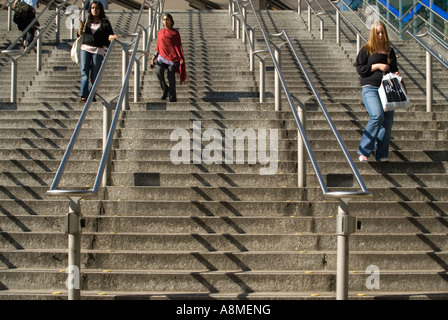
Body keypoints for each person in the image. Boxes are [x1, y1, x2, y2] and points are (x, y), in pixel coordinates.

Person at [355, 21, 400, 163]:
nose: (380, 35)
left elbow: (393, 68)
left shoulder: (390, 51)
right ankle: (364, 150)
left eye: (382, 32)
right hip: (370, 88)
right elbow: (360, 69)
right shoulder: (366, 50)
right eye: (378, 32)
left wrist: (396, 74)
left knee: (387, 121)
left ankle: (381, 155)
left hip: (387, 90)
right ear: (373, 34)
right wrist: (376, 66)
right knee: (377, 115)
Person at [77, 1, 118, 103]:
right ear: (90, 10)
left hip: (98, 50)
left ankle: (91, 95)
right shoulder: (87, 21)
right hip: (85, 48)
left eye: (97, 8)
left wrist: (112, 37)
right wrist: (81, 27)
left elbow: (109, 35)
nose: (95, 10)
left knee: (95, 74)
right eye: (93, 8)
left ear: (100, 10)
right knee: (84, 72)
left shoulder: (105, 23)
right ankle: (83, 95)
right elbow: (79, 35)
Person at [150, 13, 187, 102]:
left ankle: (172, 99)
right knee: (158, 71)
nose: (165, 21)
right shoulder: (160, 33)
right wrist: (153, 58)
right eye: (164, 20)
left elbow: (178, 46)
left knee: (171, 76)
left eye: (167, 19)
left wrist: (181, 58)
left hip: (173, 58)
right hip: (161, 58)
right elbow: (159, 47)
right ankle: (165, 89)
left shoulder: (175, 33)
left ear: (171, 21)